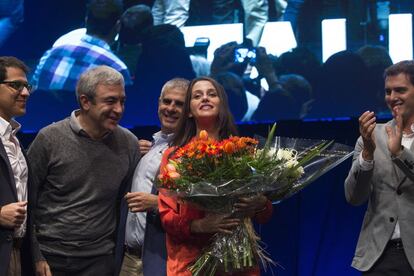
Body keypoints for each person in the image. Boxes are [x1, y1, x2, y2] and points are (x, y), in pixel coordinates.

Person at [28, 65, 140, 276]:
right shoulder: (49, 138)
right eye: (110, 101)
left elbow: (123, 207)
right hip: (50, 258)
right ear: (85, 102)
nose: (119, 109)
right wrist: (36, 256)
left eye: (122, 101)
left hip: (100, 261)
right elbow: (28, 201)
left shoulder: (128, 143)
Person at [158, 76, 273, 275]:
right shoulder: (174, 156)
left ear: (222, 105)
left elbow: (265, 215)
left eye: (212, 94)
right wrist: (200, 225)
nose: (205, 98)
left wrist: (260, 204)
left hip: (238, 263)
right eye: (197, 96)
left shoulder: (243, 151)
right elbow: (167, 216)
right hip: (190, 264)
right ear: (190, 111)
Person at [345, 60, 414, 274]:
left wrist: (400, 154)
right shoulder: (372, 137)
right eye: (388, 91)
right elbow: (354, 197)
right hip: (380, 256)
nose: (392, 98)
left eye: (400, 90)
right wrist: (367, 154)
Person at [115, 78, 189, 276]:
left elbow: (199, 209)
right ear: (158, 103)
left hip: (162, 259)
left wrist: (158, 203)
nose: (171, 108)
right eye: (167, 101)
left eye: (179, 104)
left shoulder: (194, 153)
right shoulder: (147, 146)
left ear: (190, 110)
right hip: (129, 259)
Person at [32, 0, 132, 92]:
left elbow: (33, 96)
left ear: (86, 20)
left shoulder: (51, 54)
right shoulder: (118, 70)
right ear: (118, 26)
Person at [0, 56, 32, 276]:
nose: (25, 93)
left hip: (15, 253)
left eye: (27, 86)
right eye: (16, 85)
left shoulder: (14, 139)